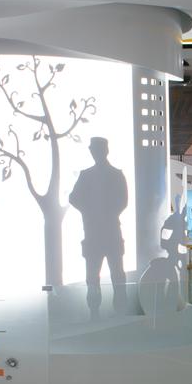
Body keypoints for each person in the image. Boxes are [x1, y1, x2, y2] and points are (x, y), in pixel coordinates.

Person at [69, 137, 128, 320]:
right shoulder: (87, 175)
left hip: (107, 232)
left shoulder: (115, 174)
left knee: (116, 276)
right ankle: (95, 313)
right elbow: (73, 198)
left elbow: (123, 201)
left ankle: (119, 312)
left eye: (97, 149)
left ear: (105, 150)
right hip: (96, 233)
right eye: (93, 149)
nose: (94, 152)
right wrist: (91, 211)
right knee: (93, 278)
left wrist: (99, 213)